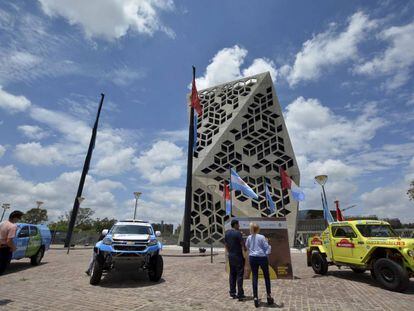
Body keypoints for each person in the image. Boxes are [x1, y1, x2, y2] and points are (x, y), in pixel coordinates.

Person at [245, 222, 274, 308]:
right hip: (262, 257)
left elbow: (247, 246)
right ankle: (268, 296)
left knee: (254, 276)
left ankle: (255, 297)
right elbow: (266, 248)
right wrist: (268, 243)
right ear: (258, 229)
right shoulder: (261, 237)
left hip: (252, 257)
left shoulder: (249, 237)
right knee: (266, 276)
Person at [224, 219, 246, 301]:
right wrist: (245, 249)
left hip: (231, 256)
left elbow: (225, 244)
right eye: (238, 224)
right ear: (235, 225)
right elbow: (242, 243)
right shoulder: (238, 233)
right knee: (239, 275)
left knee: (232, 275)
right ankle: (240, 294)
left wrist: (229, 252)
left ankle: (232, 293)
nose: (239, 226)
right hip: (238, 257)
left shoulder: (227, 233)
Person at [0, 210, 24, 275]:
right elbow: (9, 241)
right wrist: (13, 247)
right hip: (4, 249)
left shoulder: (2, 223)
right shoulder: (13, 226)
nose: (18, 220)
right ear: (15, 218)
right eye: (19, 218)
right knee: (2, 267)